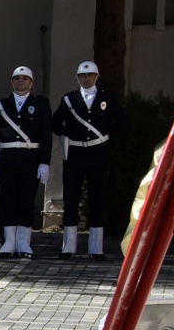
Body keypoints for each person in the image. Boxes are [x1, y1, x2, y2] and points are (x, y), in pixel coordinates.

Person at [53, 60, 124, 260]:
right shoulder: (70, 99)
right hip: (75, 153)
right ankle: (69, 247)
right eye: (83, 75)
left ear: (96, 76)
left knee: (98, 199)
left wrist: (107, 137)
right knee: (71, 198)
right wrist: (68, 135)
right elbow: (56, 122)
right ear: (77, 77)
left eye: (90, 75)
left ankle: (96, 247)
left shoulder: (107, 98)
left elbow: (122, 122)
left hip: (97, 153)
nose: (86, 78)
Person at [0, 65, 51, 258]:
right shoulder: (2, 105)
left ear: (31, 82)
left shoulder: (41, 104)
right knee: (8, 201)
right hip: (7, 160)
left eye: (24, 78)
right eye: (17, 78)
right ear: (12, 82)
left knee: (26, 201)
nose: (20, 81)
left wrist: (44, 162)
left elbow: (46, 135)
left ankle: (24, 242)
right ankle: (9, 241)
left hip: (30, 160)